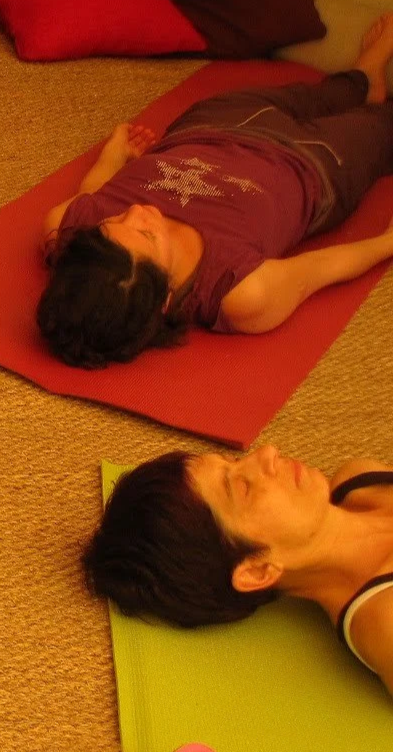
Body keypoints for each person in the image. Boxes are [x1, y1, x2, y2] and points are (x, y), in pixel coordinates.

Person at [39, 16, 393, 369]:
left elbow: (95, 195)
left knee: (325, 95)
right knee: (382, 127)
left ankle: (365, 76)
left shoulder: (69, 229)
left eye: (114, 221)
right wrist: (386, 243)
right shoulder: (237, 293)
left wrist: (113, 156)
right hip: (312, 162)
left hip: (212, 124)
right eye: (147, 235)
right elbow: (318, 269)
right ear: (165, 300)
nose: (138, 211)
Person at [84, 447, 393, 694]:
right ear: (258, 571)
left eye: (234, 460)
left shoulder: (361, 479)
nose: (267, 453)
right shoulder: (384, 624)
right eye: (244, 488)